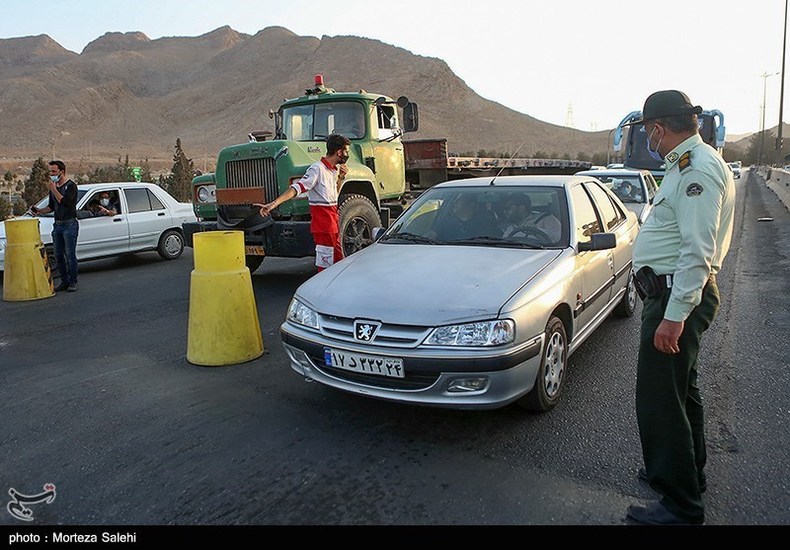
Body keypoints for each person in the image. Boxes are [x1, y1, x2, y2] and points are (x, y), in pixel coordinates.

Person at [625, 90, 736, 525]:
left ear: (657, 129)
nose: (648, 140)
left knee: (660, 401)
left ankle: (679, 504)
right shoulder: (689, 164)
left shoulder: (697, 169)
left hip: (676, 296)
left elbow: (697, 250)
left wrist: (674, 316)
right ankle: (690, 473)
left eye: (647, 132)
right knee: (682, 390)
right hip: (673, 292)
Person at [255, 134, 350, 272]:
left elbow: (333, 195)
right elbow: (296, 189)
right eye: (346, 151)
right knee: (325, 267)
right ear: (339, 152)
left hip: (333, 226)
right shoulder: (317, 169)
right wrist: (274, 204)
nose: (347, 155)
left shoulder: (333, 171)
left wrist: (341, 178)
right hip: (323, 228)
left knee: (338, 264)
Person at [30, 160, 80, 292]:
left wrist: (53, 189)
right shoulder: (54, 188)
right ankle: (64, 280)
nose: (51, 174)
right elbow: (52, 206)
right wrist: (39, 211)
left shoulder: (71, 186)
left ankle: (73, 281)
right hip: (57, 224)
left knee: (70, 254)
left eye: (54, 171)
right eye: (50, 171)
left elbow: (65, 202)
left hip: (69, 224)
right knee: (58, 254)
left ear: (61, 172)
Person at [432, 192, 499, 240]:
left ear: (471, 204)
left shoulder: (484, 223)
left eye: (459, 201)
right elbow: (432, 235)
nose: (454, 203)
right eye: (455, 201)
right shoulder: (446, 221)